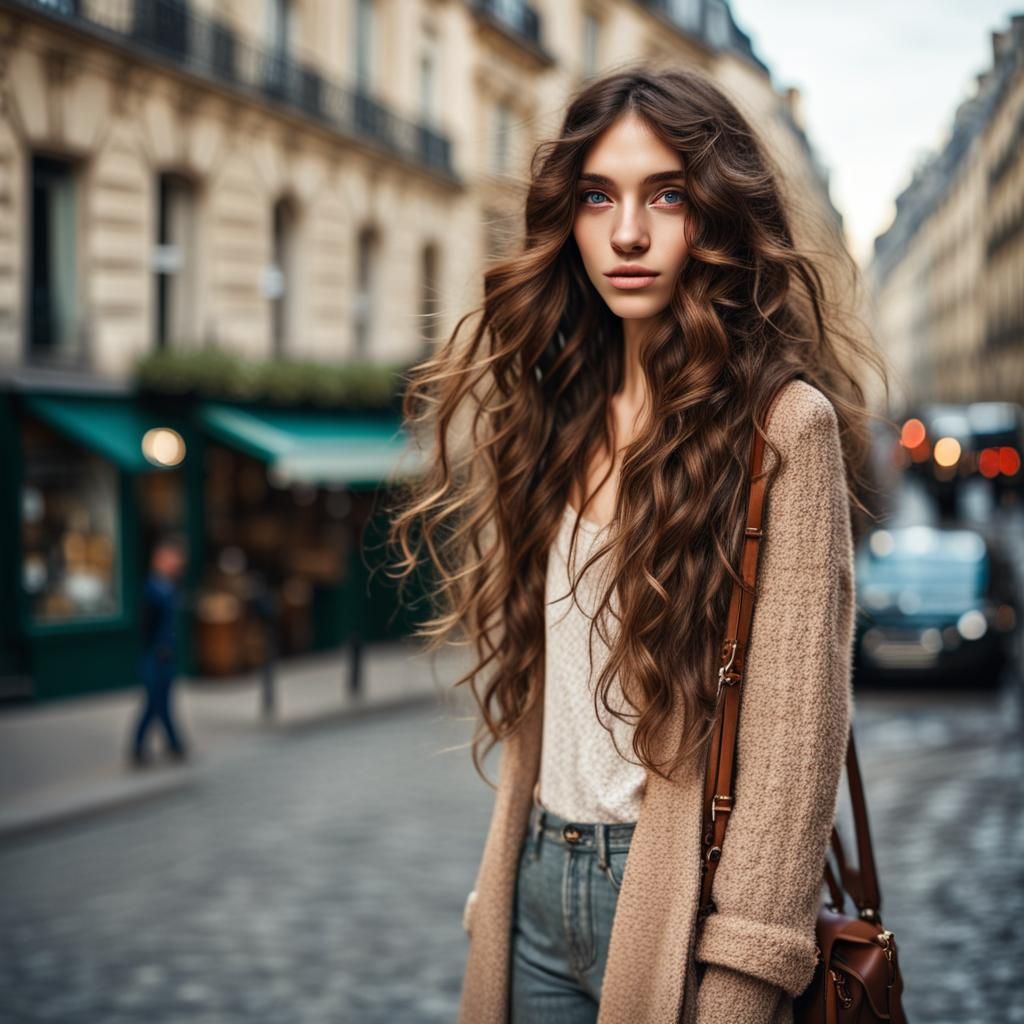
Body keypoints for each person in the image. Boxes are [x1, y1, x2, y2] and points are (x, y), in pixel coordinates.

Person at [388, 64, 888, 1024]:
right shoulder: (558, 413)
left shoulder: (785, 426)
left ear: (717, 215)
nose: (627, 232)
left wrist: (740, 986)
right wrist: (501, 894)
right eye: (596, 197)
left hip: (671, 907)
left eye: (667, 195)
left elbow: (795, 751)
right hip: (534, 892)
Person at [129, 533, 190, 766]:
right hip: (155, 657)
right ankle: (167, 745)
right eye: (173, 558)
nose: (177, 564)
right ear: (159, 558)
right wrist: (156, 649)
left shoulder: (169, 587)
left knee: (160, 702)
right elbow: (145, 626)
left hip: (166, 655)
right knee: (156, 702)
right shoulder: (153, 589)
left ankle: (170, 745)